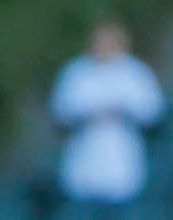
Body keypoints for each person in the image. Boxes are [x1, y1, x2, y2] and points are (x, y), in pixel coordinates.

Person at [51, 22, 165, 207]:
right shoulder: (77, 72)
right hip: (84, 162)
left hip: (122, 164)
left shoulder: (134, 73)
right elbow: (61, 112)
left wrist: (121, 109)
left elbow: (153, 112)